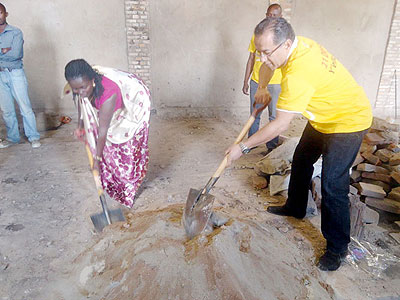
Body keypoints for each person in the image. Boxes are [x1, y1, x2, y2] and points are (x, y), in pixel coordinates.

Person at [227, 17, 372, 271]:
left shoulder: (298, 73)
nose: (262, 59)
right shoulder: (295, 46)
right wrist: (261, 86)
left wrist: (242, 147)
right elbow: (267, 67)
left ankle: (337, 248)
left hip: (348, 119)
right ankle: (295, 207)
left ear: (285, 45)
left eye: (266, 52)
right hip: (324, 115)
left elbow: (280, 125)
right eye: (258, 52)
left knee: (332, 182)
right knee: (303, 158)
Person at [64, 59, 151, 208]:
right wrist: (80, 126)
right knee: (106, 144)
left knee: (126, 147)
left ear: (92, 81)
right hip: (111, 102)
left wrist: (96, 160)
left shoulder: (108, 94)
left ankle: (127, 191)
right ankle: (112, 182)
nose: (80, 92)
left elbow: (103, 131)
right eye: (76, 89)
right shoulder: (79, 86)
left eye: (83, 88)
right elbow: (81, 103)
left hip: (135, 103)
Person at [242, 3, 282, 152]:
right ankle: (250, 145)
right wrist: (246, 80)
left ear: (280, 18)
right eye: (268, 15)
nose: (270, 18)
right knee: (254, 115)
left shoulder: (282, 38)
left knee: (274, 118)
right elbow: (251, 58)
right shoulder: (257, 35)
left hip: (276, 83)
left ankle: (272, 147)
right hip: (257, 82)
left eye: (274, 16)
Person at [0, 3, 40, 148]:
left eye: (0, 12)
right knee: (7, 110)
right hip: (0, 76)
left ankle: (33, 137)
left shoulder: (16, 32)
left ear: (6, 14)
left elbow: (16, 54)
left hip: (15, 73)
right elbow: (9, 54)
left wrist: (8, 53)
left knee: (25, 107)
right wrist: (4, 50)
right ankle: (13, 138)